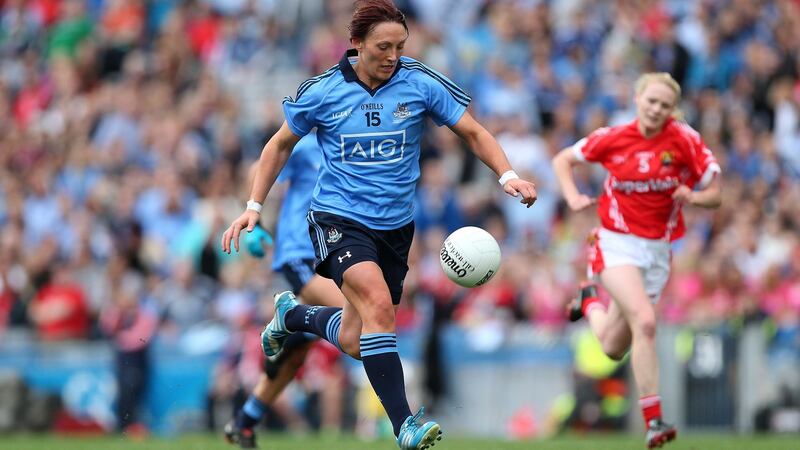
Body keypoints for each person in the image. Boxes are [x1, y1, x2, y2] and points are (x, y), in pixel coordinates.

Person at [221, 1, 537, 448]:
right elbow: (277, 146)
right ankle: (404, 424)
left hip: (395, 230)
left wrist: (507, 175)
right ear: (356, 44)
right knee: (379, 307)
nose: (393, 56)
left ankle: (293, 315)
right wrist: (254, 206)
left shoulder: (418, 81)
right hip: (338, 220)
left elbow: (473, 132)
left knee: (357, 337)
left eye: (400, 46)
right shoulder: (324, 90)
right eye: (383, 47)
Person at [552, 72, 722, 449]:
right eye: (651, 101)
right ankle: (654, 420)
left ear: (672, 110)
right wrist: (572, 196)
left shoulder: (685, 140)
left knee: (613, 346)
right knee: (645, 322)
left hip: (658, 251)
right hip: (614, 243)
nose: (656, 109)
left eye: (664, 105)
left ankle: (588, 301)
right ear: (638, 98)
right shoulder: (613, 137)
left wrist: (693, 197)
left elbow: (716, 193)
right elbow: (563, 160)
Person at [224, 133, 348, 449]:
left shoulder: (358, 146)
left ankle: (245, 422)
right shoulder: (309, 145)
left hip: (334, 253)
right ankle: (292, 322)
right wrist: (257, 218)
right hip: (302, 252)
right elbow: (256, 169)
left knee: (295, 355)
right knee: (363, 321)